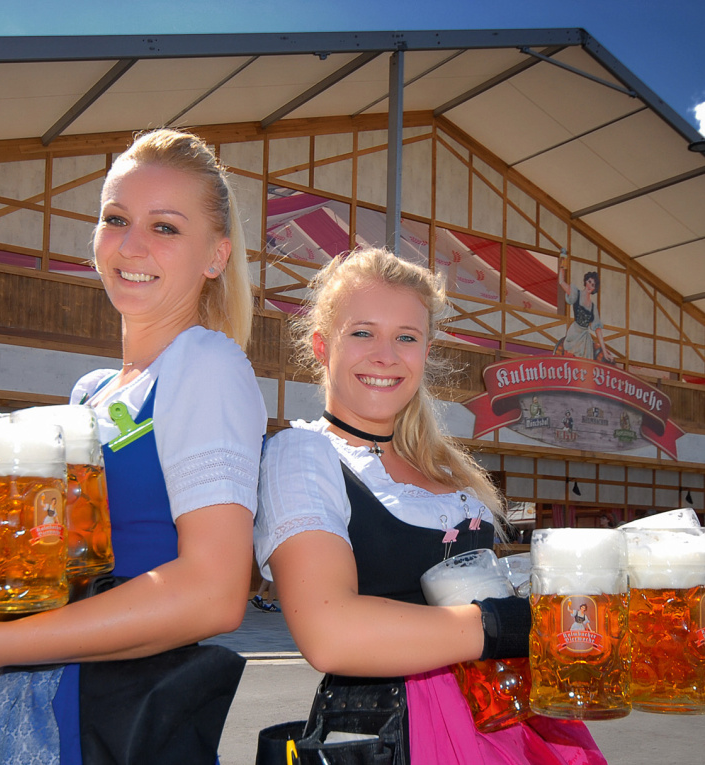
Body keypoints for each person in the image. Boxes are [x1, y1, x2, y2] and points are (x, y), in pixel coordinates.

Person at [0, 129, 267, 763]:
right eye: (115, 219)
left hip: (96, 719)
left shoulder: (205, 361)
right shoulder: (90, 393)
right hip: (20, 703)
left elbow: (213, 591)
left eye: (165, 227)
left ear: (216, 255)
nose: (131, 244)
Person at [255, 248, 605, 764]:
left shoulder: (447, 468)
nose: (386, 354)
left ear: (425, 350)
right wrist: (505, 624)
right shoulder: (303, 453)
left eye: (406, 337)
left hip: (509, 717)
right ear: (321, 346)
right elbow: (330, 634)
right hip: (406, 731)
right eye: (362, 333)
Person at [554, 255, 614, 363]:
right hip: (574, 333)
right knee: (570, 360)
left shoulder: (593, 307)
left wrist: (605, 351)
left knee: (584, 364)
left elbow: (598, 330)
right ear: (586, 281)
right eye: (589, 281)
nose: (590, 285)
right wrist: (562, 265)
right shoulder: (576, 294)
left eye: (593, 284)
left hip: (584, 337)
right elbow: (561, 282)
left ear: (595, 288)